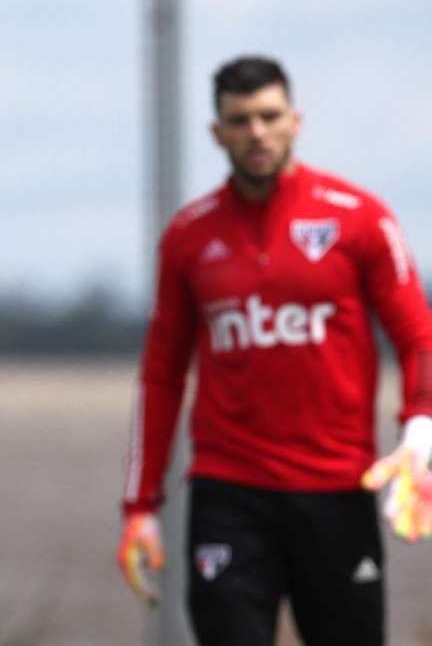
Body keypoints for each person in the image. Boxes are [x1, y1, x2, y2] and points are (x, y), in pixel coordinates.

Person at [117, 56, 432, 645]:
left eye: (269, 116)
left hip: (340, 490)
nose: (256, 132)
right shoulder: (189, 235)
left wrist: (420, 438)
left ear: (295, 121)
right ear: (218, 132)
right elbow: (161, 375)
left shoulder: (359, 219)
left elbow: (420, 337)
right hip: (228, 495)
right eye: (240, 120)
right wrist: (139, 505)